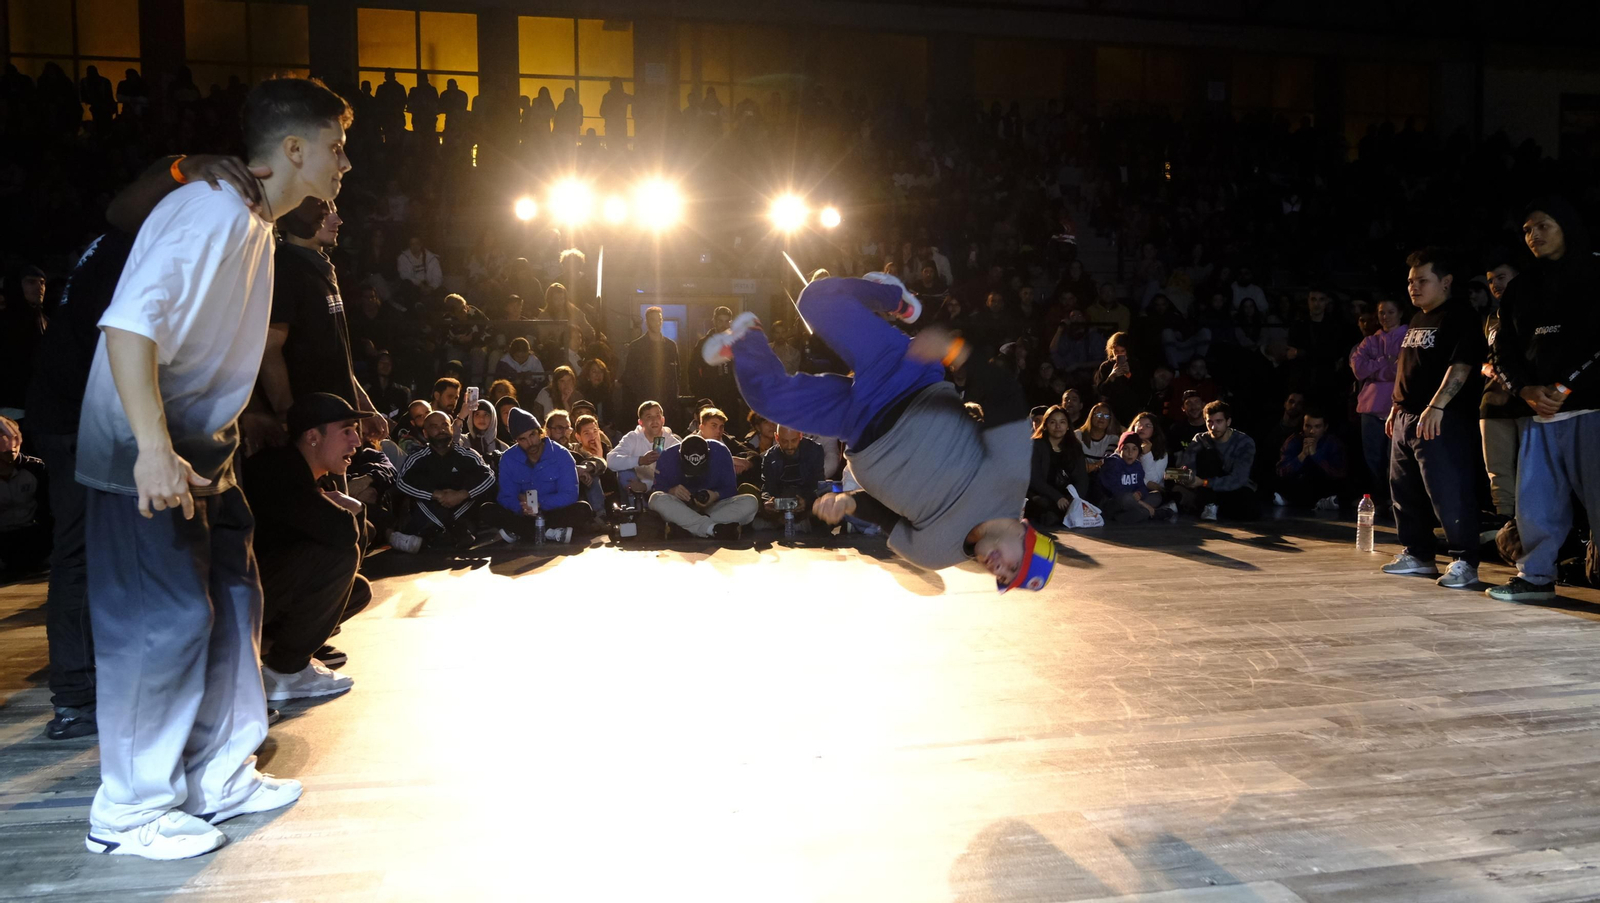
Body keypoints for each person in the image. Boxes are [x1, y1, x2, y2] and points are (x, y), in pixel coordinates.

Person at [75, 77, 351, 860]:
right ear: (293, 150)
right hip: (144, 444)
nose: (345, 162)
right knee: (159, 622)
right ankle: (127, 811)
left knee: (234, 600)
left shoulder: (255, 222)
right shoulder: (211, 210)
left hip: (205, 440)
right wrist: (154, 449)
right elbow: (130, 326)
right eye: (336, 146)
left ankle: (217, 772)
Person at [703, 274, 1057, 592]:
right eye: (1014, 563)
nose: (999, 570)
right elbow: (1007, 398)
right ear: (1025, 532)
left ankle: (747, 337)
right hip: (907, 382)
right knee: (816, 299)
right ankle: (893, 298)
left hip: (857, 428)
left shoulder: (934, 555)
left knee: (768, 398)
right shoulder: (1010, 481)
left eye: (1004, 578)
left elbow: (888, 517)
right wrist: (953, 352)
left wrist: (850, 502)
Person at [1487, 200, 1600, 602]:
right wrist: (1524, 390)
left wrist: (1565, 387)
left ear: (1567, 226)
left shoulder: (1595, 273)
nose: (1533, 235)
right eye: (1527, 229)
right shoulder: (1521, 287)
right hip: (1539, 413)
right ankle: (1535, 578)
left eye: (1543, 226)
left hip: (1591, 409)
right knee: (1535, 504)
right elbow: (1503, 349)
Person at [243, 394, 371, 703]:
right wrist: (350, 511)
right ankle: (285, 670)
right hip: (232, 604)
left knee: (357, 590)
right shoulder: (278, 471)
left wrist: (354, 509)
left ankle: (282, 648)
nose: (357, 440)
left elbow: (355, 536)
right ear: (313, 436)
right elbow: (343, 538)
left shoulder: (298, 471)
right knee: (338, 557)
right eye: (347, 430)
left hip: (261, 597)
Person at [1381, 248, 1486, 589]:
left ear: (1446, 281)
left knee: (1448, 490)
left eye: (1422, 280)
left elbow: (1463, 365)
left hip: (1442, 417)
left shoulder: (1459, 316)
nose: (1414, 287)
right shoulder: (1416, 318)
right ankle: (1419, 554)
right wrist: (1397, 408)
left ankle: (1464, 560)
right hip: (1406, 417)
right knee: (1405, 489)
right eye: (1410, 281)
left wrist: (1437, 406)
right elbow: (1409, 369)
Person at [257, 196, 386, 446]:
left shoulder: (323, 267)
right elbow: (269, 348)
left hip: (334, 419)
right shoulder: (285, 267)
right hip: (313, 425)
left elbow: (337, 352)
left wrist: (361, 404)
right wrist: (289, 418)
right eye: (327, 213)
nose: (338, 220)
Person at [483, 408, 603, 544]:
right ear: (516, 441)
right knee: (488, 510)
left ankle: (521, 532)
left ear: (541, 432)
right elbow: (505, 496)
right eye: (523, 439)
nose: (530, 442)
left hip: (552, 512)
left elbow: (570, 494)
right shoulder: (508, 459)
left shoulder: (561, 454)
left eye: (532, 435)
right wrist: (522, 507)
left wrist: (540, 503)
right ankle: (548, 533)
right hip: (523, 514)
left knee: (583, 509)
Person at [390, 411, 497, 552]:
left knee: (474, 492)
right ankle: (453, 530)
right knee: (422, 499)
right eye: (434, 426)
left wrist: (461, 495)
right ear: (426, 433)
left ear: (451, 429)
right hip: (429, 511)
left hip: (461, 510)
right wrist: (436, 495)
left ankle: (433, 536)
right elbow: (402, 482)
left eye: (444, 425)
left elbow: (489, 477)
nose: (441, 430)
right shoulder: (417, 458)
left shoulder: (468, 454)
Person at [1478, 251, 1529, 527]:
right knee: (1497, 468)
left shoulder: (1533, 310)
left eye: (1501, 277)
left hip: (1526, 399)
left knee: (1530, 467)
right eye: (1491, 280)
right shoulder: (1489, 318)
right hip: (1493, 400)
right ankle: (1504, 521)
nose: (1495, 284)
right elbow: (1477, 357)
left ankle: (1530, 518)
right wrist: (1486, 367)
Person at [648, 434, 758, 540]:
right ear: (679, 456)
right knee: (655, 498)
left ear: (709, 455)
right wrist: (671, 491)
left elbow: (731, 489)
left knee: (751, 501)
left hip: (711, 509)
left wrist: (715, 495)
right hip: (681, 507)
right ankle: (714, 529)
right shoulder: (667, 457)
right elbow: (657, 489)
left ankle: (687, 528)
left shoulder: (721, 452)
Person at [1349, 299, 1407, 490]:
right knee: (1372, 457)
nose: (1385, 317)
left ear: (1399, 313)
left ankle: (1394, 499)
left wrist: (1374, 369)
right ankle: (1380, 497)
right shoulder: (1370, 340)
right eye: (1382, 312)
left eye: (1390, 312)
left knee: (1395, 458)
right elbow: (1358, 369)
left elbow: (1402, 370)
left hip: (1397, 405)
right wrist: (1384, 361)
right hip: (1371, 407)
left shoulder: (1407, 336)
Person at [1175, 402, 1258, 521]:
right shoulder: (1201, 439)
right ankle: (1209, 504)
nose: (1213, 427)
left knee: (1249, 510)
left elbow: (1239, 478)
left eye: (1219, 421)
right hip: (1207, 489)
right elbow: (1188, 464)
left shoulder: (1244, 442)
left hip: (1231, 486)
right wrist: (1186, 475)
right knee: (1207, 454)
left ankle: (1213, 506)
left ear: (1228, 422)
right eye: (1210, 422)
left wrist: (1204, 482)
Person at [0, 416, 51, 574]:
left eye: (15, 437)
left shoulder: (35, 468)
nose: (12, 445)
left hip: (32, 536)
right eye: (5, 438)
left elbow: (51, 509)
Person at [1026, 404, 1088, 528]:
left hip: (1068, 495)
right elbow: (1035, 479)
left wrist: (1073, 499)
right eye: (1053, 422)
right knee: (1042, 503)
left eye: (1062, 422)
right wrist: (1057, 497)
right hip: (1044, 494)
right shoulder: (1036, 445)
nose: (1058, 426)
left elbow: (1082, 478)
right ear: (1046, 425)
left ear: (1068, 426)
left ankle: (1059, 515)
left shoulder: (1075, 446)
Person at [1273, 409, 1347, 510]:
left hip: (1324, 485)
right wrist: (1302, 455)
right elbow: (1281, 471)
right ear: (1303, 426)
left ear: (1325, 427)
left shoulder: (1332, 443)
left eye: (1317, 427)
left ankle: (1316, 502)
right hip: (1299, 483)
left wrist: (1315, 455)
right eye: (1308, 426)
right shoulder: (1294, 441)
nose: (1312, 431)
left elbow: (1338, 473)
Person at [605, 400, 680, 494]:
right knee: (624, 472)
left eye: (657, 416)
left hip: (664, 490)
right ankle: (636, 507)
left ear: (663, 420)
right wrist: (640, 460)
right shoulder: (633, 438)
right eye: (649, 417)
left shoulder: (672, 442)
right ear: (640, 422)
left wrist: (647, 486)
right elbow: (611, 460)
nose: (654, 420)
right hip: (637, 488)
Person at [620, 306, 679, 425]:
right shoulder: (636, 347)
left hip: (666, 403)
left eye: (659, 319)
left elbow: (677, 374)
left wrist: (673, 397)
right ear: (647, 322)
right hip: (644, 402)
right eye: (653, 319)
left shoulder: (670, 346)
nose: (657, 322)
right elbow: (630, 375)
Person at [1098, 432, 1170, 523]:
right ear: (1120, 450)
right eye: (1126, 448)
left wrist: (1139, 493)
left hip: (1132, 502)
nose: (1130, 453)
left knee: (1156, 496)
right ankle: (1151, 513)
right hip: (1114, 502)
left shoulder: (1137, 465)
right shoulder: (1112, 464)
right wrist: (1142, 503)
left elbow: (1141, 485)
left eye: (1134, 449)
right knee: (1127, 498)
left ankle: (1132, 515)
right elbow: (1116, 491)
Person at [761, 426, 826, 523]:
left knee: (830, 491)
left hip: (808, 500)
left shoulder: (814, 451)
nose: (789, 446)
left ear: (800, 435)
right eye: (784, 441)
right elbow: (767, 488)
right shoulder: (770, 457)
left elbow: (818, 484)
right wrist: (768, 502)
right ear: (777, 438)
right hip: (781, 502)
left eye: (793, 440)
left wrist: (806, 501)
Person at [1092, 332, 1142, 424]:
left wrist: (1128, 374)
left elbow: (1140, 389)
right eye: (1116, 351)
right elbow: (1100, 390)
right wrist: (1111, 377)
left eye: (1122, 351)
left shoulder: (1135, 364)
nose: (1119, 354)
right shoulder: (1106, 366)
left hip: (1129, 410)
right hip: (1111, 409)